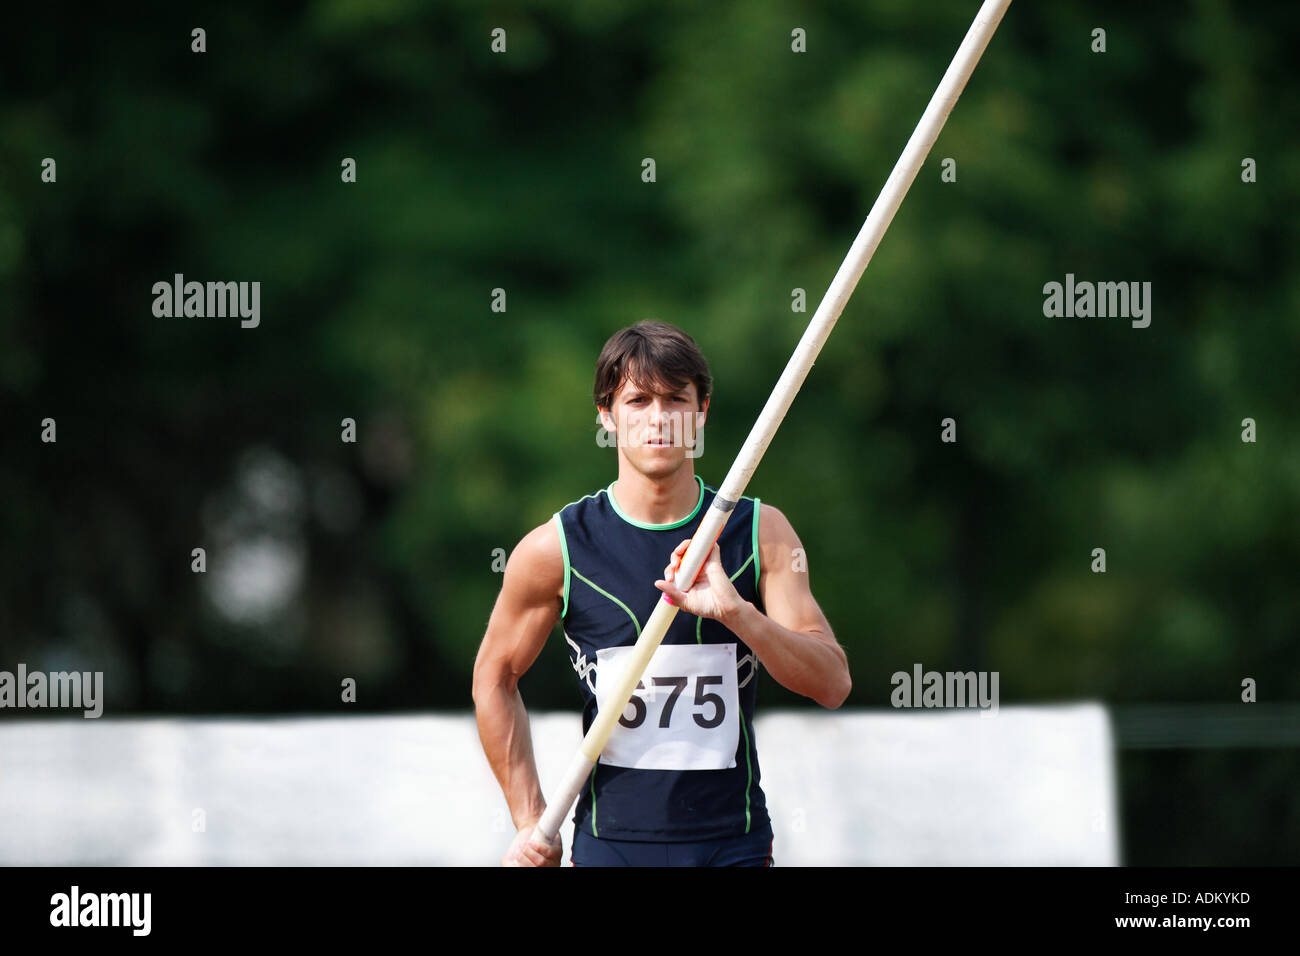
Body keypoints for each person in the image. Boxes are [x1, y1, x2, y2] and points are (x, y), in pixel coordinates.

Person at [472, 320, 850, 867]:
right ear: (606, 414)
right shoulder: (557, 550)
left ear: (701, 413)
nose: (659, 419)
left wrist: (740, 616)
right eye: (638, 400)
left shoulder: (760, 534)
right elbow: (494, 677)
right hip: (612, 847)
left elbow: (833, 682)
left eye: (676, 400)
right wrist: (531, 821)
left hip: (733, 845)